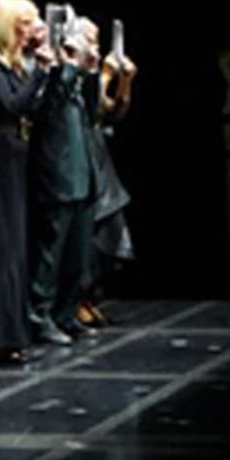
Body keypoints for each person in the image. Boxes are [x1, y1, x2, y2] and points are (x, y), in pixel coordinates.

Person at [0, 0, 54, 364]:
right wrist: (40, 73)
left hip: (13, 160)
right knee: (0, 248)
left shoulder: (15, 65)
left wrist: (41, 72)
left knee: (14, 248)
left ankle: (14, 333)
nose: (33, 28)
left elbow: (31, 107)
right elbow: (10, 105)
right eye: (26, 21)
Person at [27, 13, 101, 344]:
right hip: (58, 175)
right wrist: (68, 65)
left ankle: (66, 313)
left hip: (83, 175)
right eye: (87, 41)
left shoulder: (76, 77)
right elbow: (46, 111)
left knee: (77, 257)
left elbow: (93, 112)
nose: (90, 47)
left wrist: (92, 72)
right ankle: (39, 315)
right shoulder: (48, 72)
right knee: (50, 254)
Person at [79, 31, 138, 327]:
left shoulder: (91, 75)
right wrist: (103, 76)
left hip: (99, 158)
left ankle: (91, 297)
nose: (95, 47)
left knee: (108, 230)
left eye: (97, 41)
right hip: (79, 159)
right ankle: (78, 300)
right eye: (89, 40)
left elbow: (112, 113)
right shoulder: (72, 74)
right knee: (87, 235)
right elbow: (89, 111)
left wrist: (125, 82)